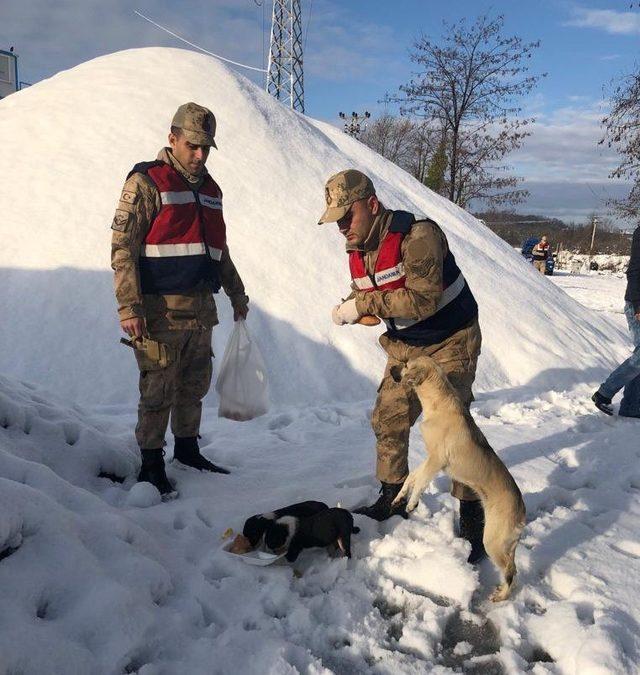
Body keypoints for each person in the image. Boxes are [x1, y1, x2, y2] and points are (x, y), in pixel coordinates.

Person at [318, 169, 486, 561]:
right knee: (388, 416)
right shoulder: (358, 247)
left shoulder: (419, 237)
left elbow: (422, 300)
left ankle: (474, 516)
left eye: (348, 215)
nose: (343, 226)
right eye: (337, 220)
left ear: (372, 205)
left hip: (450, 339)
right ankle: (392, 496)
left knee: (453, 428)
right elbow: (369, 290)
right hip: (406, 344)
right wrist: (351, 304)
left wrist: (362, 306)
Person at [111, 102, 249, 498]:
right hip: (160, 311)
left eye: (206, 147)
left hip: (201, 309)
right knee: (157, 387)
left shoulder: (211, 189)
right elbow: (123, 248)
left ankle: (188, 450)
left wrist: (237, 293)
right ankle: (151, 463)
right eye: (192, 145)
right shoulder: (146, 182)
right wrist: (129, 306)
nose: (200, 154)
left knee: (193, 384)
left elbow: (218, 250)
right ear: (172, 139)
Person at [592, 224, 640, 418]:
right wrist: (638, 304)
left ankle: (631, 406)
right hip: (637, 302)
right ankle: (604, 393)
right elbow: (635, 270)